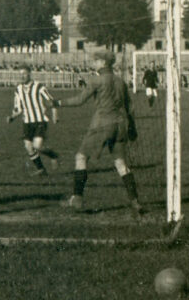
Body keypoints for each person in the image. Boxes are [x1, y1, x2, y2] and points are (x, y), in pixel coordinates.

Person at [55, 49, 143, 216]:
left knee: (80, 157)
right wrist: (133, 130)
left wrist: (57, 102)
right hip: (121, 126)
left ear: (103, 63)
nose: (93, 63)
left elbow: (80, 100)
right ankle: (135, 201)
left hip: (102, 125)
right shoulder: (120, 81)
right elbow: (130, 108)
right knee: (121, 164)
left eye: (95, 61)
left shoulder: (96, 80)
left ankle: (77, 198)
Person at [7, 67, 59, 176]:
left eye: (24, 74)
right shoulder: (18, 89)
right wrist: (12, 117)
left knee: (38, 146)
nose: (22, 76)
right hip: (27, 122)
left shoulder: (39, 87)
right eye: (20, 74)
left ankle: (53, 155)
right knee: (28, 146)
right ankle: (41, 169)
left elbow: (51, 101)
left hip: (40, 120)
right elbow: (18, 108)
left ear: (29, 74)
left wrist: (55, 115)